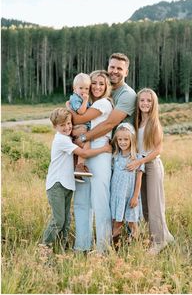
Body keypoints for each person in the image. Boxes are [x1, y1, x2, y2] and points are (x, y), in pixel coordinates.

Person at [41, 107, 111, 252]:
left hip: (67, 185)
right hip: (57, 185)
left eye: (68, 123)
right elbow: (83, 152)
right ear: (55, 127)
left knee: (66, 222)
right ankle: (44, 249)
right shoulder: (61, 140)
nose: (67, 127)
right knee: (58, 221)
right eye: (62, 125)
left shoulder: (67, 137)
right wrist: (103, 149)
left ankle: (60, 250)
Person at [127, 88, 174, 254]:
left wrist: (140, 161)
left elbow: (157, 150)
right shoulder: (138, 122)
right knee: (145, 206)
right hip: (141, 166)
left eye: (149, 101)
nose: (145, 103)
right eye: (142, 100)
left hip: (151, 165)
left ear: (153, 104)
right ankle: (165, 235)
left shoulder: (153, 123)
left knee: (155, 205)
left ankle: (159, 242)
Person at [72, 70, 114, 253]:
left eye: (101, 84)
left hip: (99, 155)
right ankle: (82, 245)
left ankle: (102, 249)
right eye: (94, 83)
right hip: (83, 154)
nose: (97, 87)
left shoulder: (104, 103)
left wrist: (67, 106)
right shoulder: (89, 103)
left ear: (106, 88)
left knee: (100, 201)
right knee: (82, 202)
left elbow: (77, 118)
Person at [69, 53, 137, 145]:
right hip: (99, 144)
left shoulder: (127, 95)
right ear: (108, 68)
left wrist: (83, 138)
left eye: (119, 68)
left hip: (120, 148)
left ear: (126, 73)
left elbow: (109, 124)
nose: (115, 71)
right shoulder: (101, 90)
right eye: (112, 67)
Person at [110, 123, 144, 242]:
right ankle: (116, 249)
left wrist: (135, 196)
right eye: (120, 139)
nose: (122, 142)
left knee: (132, 223)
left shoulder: (137, 158)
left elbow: (139, 179)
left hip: (130, 196)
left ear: (132, 140)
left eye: (126, 139)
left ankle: (135, 246)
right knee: (117, 223)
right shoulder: (115, 157)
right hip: (116, 196)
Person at [69, 73, 92, 181]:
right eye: (81, 88)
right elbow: (81, 111)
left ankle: (75, 171)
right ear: (74, 89)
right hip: (79, 128)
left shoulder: (79, 98)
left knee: (77, 149)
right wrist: (86, 101)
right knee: (86, 144)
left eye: (86, 88)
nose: (84, 91)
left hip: (80, 127)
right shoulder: (76, 99)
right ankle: (80, 167)